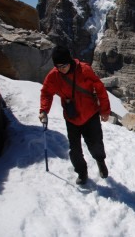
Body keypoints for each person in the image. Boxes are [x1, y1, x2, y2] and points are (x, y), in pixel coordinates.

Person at [39, 46, 111, 185]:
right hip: (71, 118)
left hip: (90, 115)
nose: (62, 69)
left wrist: (105, 111)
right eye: (58, 66)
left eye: (64, 65)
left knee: (95, 143)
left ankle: (100, 161)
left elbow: (100, 89)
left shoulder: (84, 70)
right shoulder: (54, 75)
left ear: (70, 61)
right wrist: (44, 110)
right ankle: (82, 173)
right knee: (75, 149)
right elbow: (46, 92)